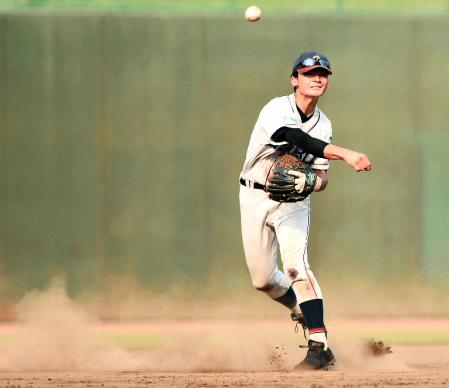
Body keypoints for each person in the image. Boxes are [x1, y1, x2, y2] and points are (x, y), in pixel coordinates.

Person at [238, 51, 372, 370]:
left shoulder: (323, 124)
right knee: (263, 280)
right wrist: (347, 154)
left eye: (323, 74)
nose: (317, 78)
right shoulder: (276, 108)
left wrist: (311, 182)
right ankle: (301, 306)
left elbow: (322, 176)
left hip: (293, 203)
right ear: (294, 79)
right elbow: (294, 137)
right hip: (254, 195)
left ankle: (319, 346)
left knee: (297, 267)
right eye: (310, 73)